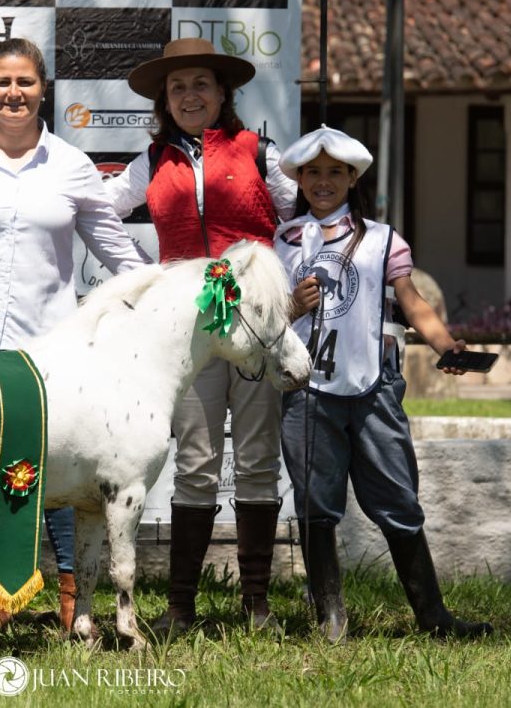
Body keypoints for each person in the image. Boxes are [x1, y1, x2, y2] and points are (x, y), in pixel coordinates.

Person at [0, 37, 150, 635]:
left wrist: (170, 287)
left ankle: (70, 595)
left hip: (50, 353)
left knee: (60, 471)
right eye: (2, 83)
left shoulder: (71, 165)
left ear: (44, 89)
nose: (14, 94)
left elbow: (115, 248)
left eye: (26, 83)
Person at [104, 38, 298, 633]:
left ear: (223, 94)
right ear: (165, 99)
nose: (190, 96)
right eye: (178, 87)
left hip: (257, 330)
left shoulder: (260, 153)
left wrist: (284, 286)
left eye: (201, 85)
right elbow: (97, 208)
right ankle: (182, 607)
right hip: (189, 335)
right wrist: (145, 273)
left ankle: (257, 604)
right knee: (195, 464)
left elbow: (301, 221)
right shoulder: (150, 163)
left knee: (260, 460)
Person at [275, 125, 493, 642]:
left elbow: (411, 300)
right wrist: (292, 305)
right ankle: (330, 617)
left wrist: (446, 345)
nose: (323, 181)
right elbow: (268, 317)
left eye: (335, 172)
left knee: (398, 497)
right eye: (313, 173)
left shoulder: (382, 239)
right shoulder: (281, 243)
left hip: (373, 387)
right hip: (307, 390)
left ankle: (432, 616)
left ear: (352, 178)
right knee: (314, 503)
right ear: (299, 179)